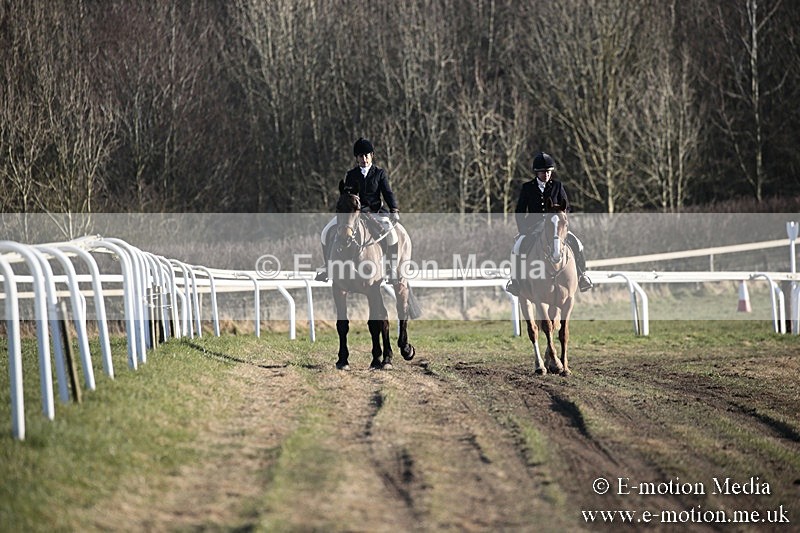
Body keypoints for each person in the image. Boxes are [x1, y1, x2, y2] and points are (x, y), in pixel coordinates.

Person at [506, 151, 593, 295]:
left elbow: (567, 208)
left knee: (577, 243)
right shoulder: (528, 187)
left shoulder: (557, 186)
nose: (546, 174)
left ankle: (582, 276)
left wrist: (562, 222)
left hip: (556, 226)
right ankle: (515, 281)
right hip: (533, 227)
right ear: (536, 172)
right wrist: (523, 230)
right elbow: (520, 210)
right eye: (542, 172)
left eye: (548, 172)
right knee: (518, 247)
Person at [315, 138, 401, 282]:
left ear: (372, 155)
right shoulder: (351, 175)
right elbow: (348, 196)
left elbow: (387, 193)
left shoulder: (379, 173)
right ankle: (327, 267)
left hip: (375, 211)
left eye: (367, 155)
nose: (364, 159)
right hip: (354, 214)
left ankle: (391, 269)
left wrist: (394, 209)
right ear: (357, 158)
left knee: (392, 235)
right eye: (361, 156)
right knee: (325, 232)